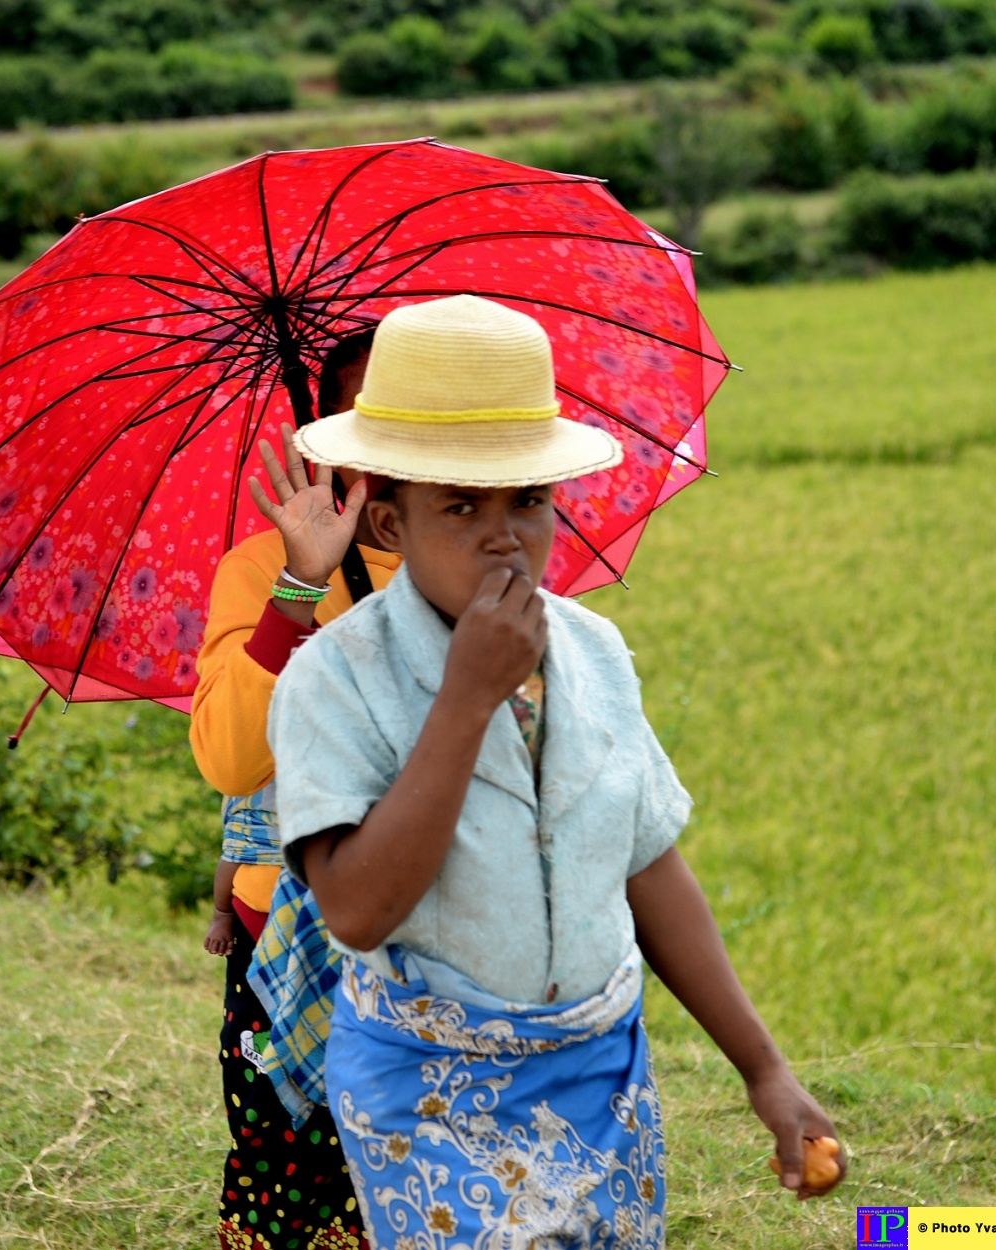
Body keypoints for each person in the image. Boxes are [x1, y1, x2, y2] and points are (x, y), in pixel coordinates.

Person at [268, 295, 845, 1249]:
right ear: (386, 525)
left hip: (597, 1078)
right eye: (459, 506)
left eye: (527, 502)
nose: (504, 537)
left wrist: (764, 1070)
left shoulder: (594, 653)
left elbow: (647, 863)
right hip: (428, 1101)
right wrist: (464, 700)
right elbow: (356, 911)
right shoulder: (332, 680)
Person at [191, 330, 401, 1250]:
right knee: (288, 1165)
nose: (385, 440)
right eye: (361, 414)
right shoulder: (259, 572)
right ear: (324, 433)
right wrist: (298, 585)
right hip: (282, 926)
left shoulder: (474, 563)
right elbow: (232, 762)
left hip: (428, 925)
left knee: (406, 1162)